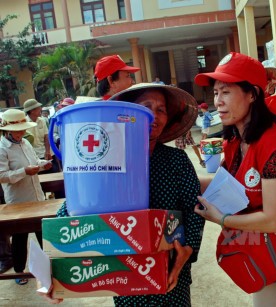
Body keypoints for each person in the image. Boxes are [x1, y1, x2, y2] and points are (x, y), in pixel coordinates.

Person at [40, 83, 205, 306]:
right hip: (126, 273)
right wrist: (54, 270)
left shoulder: (177, 161)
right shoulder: (108, 159)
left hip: (170, 271)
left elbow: (194, 208)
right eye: (146, 107)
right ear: (128, 115)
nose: (154, 116)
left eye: (161, 109)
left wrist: (188, 248)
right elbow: (77, 210)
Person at [194, 52, 276, 306]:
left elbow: (274, 219)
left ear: (253, 94)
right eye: (215, 93)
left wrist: (221, 219)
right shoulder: (235, 141)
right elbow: (228, 185)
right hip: (265, 246)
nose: (218, 102)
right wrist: (178, 178)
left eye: (226, 92)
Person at [0, 109, 52, 285]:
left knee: (42, 232)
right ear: (8, 131)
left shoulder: (25, 143)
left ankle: (48, 268)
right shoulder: (2, 148)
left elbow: (34, 161)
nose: (21, 133)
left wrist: (43, 165)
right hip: (18, 199)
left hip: (36, 196)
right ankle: (19, 271)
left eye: (22, 129)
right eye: (18, 130)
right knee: (20, 237)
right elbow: (2, 175)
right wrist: (24, 171)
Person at [23, 99, 61, 177]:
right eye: (38, 108)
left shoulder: (42, 121)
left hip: (47, 154)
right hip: (35, 156)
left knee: (55, 175)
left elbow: (46, 137)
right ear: (32, 111)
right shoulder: (24, 123)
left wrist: (47, 151)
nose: (40, 109)